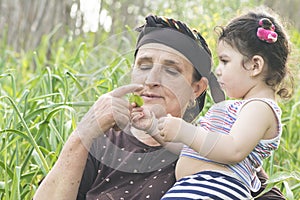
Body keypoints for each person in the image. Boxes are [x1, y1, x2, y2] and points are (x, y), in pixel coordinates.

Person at [34, 14, 286, 200]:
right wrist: (83, 134)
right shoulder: (103, 143)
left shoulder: (212, 145)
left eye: (171, 69)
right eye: (143, 66)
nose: (151, 79)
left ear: (196, 89)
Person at [137, 9, 293, 199]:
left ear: (255, 66)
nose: (217, 71)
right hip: (195, 190)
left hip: (213, 191)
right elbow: (192, 146)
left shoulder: (260, 108)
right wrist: (154, 127)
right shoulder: (237, 109)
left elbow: (233, 149)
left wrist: (184, 130)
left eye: (225, 61)